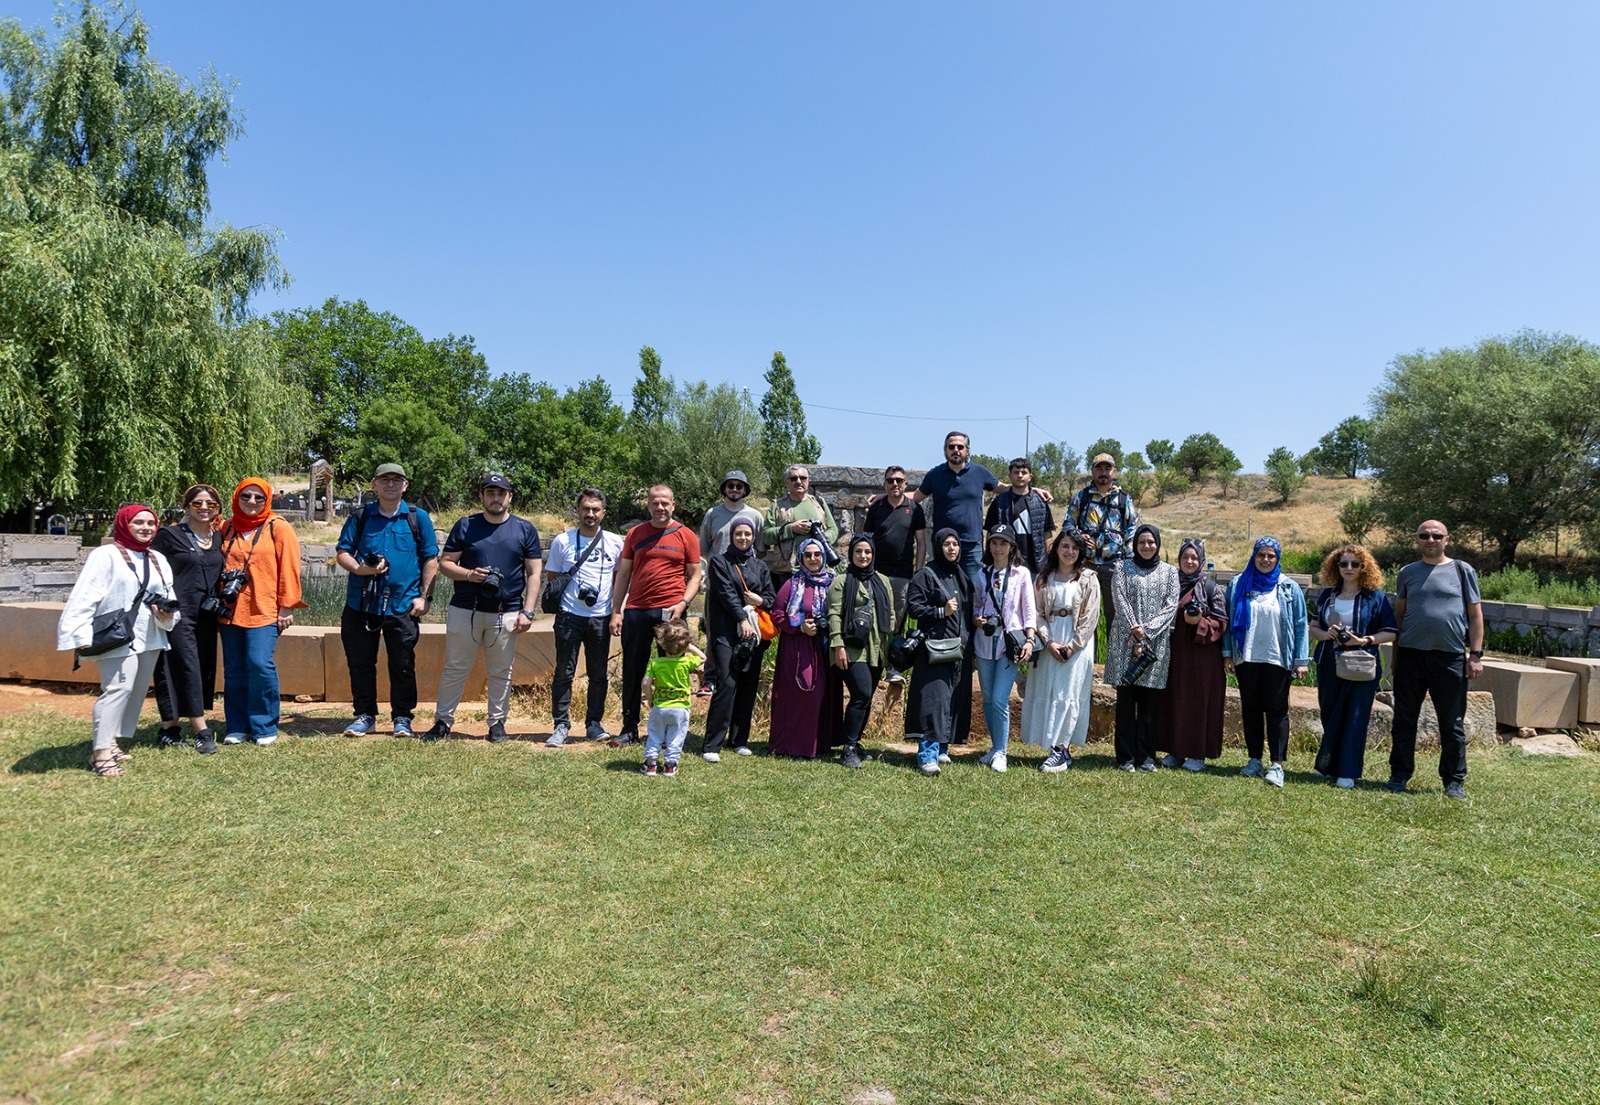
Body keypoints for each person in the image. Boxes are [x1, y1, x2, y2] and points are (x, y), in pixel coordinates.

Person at [57, 505, 181, 776]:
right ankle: (100, 753)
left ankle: (111, 740)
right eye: (138, 522)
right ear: (124, 524)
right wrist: (79, 634)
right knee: (117, 689)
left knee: (135, 690)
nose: (146, 528)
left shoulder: (157, 558)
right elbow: (86, 594)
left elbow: (168, 594)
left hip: (150, 634)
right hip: (117, 634)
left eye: (150, 523)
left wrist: (168, 615)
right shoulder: (106, 555)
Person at [422, 474, 542, 744]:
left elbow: (534, 572)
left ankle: (497, 724)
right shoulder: (466, 525)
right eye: (490, 493)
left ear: (510, 497)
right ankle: (442, 722)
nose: (495, 498)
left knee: (501, 670)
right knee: (455, 667)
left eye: (501, 493)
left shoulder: (524, 529)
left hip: (506, 611)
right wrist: (469, 575)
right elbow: (445, 563)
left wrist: (528, 611)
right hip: (466, 609)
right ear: (481, 496)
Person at [335, 463, 439, 738]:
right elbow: (343, 552)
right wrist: (360, 569)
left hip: (403, 604)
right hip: (361, 603)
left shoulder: (417, 518)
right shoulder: (361, 516)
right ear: (375, 485)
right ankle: (365, 716)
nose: (390, 484)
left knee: (402, 664)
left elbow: (430, 559)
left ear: (405, 485)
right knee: (360, 662)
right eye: (384, 480)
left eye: (396, 480)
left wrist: (425, 597)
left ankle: (402, 717)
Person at [1387, 521, 1483, 800]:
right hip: (1411, 655)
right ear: (1417, 539)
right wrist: (1396, 656)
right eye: (1425, 535)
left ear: (1446, 539)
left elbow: (1475, 615)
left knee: (1452, 723)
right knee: (1404, 719)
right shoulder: (1407, 573)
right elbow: (1400, 617)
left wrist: (1475, 655)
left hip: (1449, 657)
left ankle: (1454, 780)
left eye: (1436, 535)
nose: (1430, 539)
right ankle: (1399, 774)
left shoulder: (1462, 571)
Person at [215, 478, 306, 746]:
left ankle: (264, 725)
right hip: (230, 610)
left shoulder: (278, 527)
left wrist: (286, 605)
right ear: (236, 498)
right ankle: (237, 726)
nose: (252, 502)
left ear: (268, 500)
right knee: (234, 669)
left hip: (264, 609)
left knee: (259, 664)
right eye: (246, 496)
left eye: (259, 497)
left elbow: (289, 566)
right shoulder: (226, 527)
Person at [609, 485, 701, 747]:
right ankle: (629, 729)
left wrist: (682, 604)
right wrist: (616, 611)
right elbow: (624, 574)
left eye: (665, 503)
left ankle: (669, 731)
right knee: (633, 671)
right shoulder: (635, 534)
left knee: (672, 673)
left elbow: (695, 576)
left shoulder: (686, 535)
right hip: (637, 610)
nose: (660, 507)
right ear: (648, 505)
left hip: (671, 613)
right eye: (655, 503)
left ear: (673, 505)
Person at [1222, 537, 1311, 788]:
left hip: (1277, 657)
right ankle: (1254, 760)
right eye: (1261, 555)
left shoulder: (1288, 587)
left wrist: (1300, 660)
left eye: (1271, 556)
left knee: (1277, 710)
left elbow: (1300, 625)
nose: (1265, 560)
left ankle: (1277, 764)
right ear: (1254, 556)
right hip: (1246, 656)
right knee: (1250, 708)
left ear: (1277, 558)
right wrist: (1227, 654)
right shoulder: (1239, 584)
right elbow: (1228, 620)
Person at [1309, 545, 1399, 788]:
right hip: (1329, 662)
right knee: (1330, 713)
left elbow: (1391, 632)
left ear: (1363, 567)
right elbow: (1313, 628)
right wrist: (1326, 634)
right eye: (1343, 564)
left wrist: (1364, 640)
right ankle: (1328, 766)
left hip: (1362, 663)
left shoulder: (1375, 597)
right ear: (1335, 567)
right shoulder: (1327, 596)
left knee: (1356, 716)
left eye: (1354, 564)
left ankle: (1347, 771)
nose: (1349, 568)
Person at [544, 489, 624, 747]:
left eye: (595, 509)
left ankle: (594, 724)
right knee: (564, 672)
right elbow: (553, 577)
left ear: (603, 513)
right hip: (569, 615)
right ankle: (560, 725)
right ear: (578, 511)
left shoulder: (615, 542)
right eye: (586, 509)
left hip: (600, 616)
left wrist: (615, 612)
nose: (590, 514)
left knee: (598, 673)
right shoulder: (563, 541)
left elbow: (619, 578)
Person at [151, 484, 224, 754]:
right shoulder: (169, 535)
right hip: (177, 613)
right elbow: (150, 568)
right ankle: (201, 731)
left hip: (206, 614)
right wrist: (155, 602)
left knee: (200, 666)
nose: (204, 508)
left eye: (210, 504)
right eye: (197, 503)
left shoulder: (218, 538)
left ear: (217, 509)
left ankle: (169, 729)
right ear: (187, 506)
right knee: (186, 665)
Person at [1019, 529, 1099, 770]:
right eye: (1065, 546)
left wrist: (1073, 647)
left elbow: (1090, 617)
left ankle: (1062, 749)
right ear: (1056, 548)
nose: (1069, 552)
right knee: (1050, 689)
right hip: (1050, 640)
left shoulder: (1089, 578)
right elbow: (1037, 613)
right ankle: (1055, 746)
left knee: (1069, 692)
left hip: (1077, 644)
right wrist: (1050, 642)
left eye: (1075, 548)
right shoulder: (1044, 578)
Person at [1105, 524, 1180, 772]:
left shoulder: (1170, 573)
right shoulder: (1122, 568)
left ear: (1158, 544)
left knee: (1150, 704)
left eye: (1151, 542)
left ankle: (1146, 756)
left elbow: (1171, 606)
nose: (1146, 546)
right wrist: (1136, 631)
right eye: (1141, 542)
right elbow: (1119, 599)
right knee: (1126, 703)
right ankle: (1125, 757)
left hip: (1155, 646)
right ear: (1134, 545)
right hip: (1125, 642)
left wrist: (1147, 631)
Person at [701, 518, 776, 761]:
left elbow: (771, 597)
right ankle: (712, 744)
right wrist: (742, 618)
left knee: (748, 685)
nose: (743, 538)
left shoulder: (759, 566)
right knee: (727, 682)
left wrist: (759, 601)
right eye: (739, 534)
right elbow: (726, 594)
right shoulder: (719, 561)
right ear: (732, 536)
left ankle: (739, 739)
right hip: (726, 630)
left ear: (753, 537)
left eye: (748, 534)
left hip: (753, 635)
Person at [1154, 538, 1228, 771]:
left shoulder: (1211, 588)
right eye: (1185, 557)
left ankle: (1197, 754)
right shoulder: (1170, 585)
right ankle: (1175, 751)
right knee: (1174, 701)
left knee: (1198, 703)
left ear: (1201, 560)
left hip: (1202, 657)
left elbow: (1221, 622)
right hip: (1175, 654)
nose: (1189, 561)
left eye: (1194, 557)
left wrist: (1199, 623)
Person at [905, 529, 975, 775]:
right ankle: (927, 755)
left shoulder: (960, 575)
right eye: (946, 544)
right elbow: (913, 607)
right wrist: (940, 612)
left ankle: (942, 748)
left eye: (955, 544)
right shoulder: (926, 575)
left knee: (951, 698)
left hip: (958, 649)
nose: (952, 548)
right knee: (933, 700)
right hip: (935, 648)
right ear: (937, 546)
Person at [768, 537, 844, 758]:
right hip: (799, 646)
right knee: (805, 691)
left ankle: (821, 744)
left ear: (824, 556)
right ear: (801, 558)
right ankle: (795, 745)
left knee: (826, 693)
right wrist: (799, 627)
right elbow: (777, 613)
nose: (812, 558)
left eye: (817, 554)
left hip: (826, 645)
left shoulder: (834, 582)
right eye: (807, 555)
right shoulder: (792, 584)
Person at [970, 525, 1036, 772]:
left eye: (1003, 543)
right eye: (994, 543)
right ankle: (995, 746)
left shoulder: (1021, 574)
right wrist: (978, 618)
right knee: (988, 698)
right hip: (985, 642)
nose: (998, 548)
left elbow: (1028, 609)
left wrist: (1030, 639)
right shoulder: (982, 574)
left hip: (1010, 643)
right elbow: (977, 604)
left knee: (1000, 698)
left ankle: (1002, 752)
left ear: (1011, 547)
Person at [828, 534, 896, 769]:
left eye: (867, 552)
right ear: (851, 554)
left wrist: (890, 648)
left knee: (866, 697)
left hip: (876, 647)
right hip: (850, 648)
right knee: (862, 693)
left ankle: (855, 743)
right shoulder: (841, 582)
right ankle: (848, 748)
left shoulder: (882, 580)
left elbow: (890, 613)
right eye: (858, 551)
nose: (863, 556)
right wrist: (838, 646)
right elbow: (834, 615)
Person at [862, 465, 927, 685]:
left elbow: (921, 543)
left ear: (906, 484)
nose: (895, 484)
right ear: (884, 485)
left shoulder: (914, 508)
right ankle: (873, 664)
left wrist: (918, 572)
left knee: (897, 621)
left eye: (899, 480)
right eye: (890, 480)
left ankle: (893, 666)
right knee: (874, 619)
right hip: (876, 574)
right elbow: (866, 540)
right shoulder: (876, 508)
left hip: (903, 574)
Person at [907, 431, 999, 586]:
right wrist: (884, 496)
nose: (956, 450)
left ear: (967, 450)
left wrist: (1032, 490)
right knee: (942, 591)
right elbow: (916, 496)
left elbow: (1003, 488)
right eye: (951, 446)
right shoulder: (935, 474)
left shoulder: (980, 472)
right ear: (945, 449)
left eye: (960, 447)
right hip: (943, 544)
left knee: (973, 590)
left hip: (971, 545)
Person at [1065, 453, 1139, 627]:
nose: (1103, 472)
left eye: (1107, 468)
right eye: (1099, 468)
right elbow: (1068, 524)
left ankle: (1115, 646)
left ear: (1114, 471)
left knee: (1115, 617)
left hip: (1114, 565)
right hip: (1085, 565)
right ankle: (1086, 646)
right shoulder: (1081, 497)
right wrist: (1078, 537)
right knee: (1083, 615)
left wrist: (1130, 563)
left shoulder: (1123, 499)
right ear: (1092, 471)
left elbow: (1132, 530)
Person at [640, 620, 705, 778]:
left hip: (660, 706)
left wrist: (650, 698)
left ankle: (650, 764)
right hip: (681, 707)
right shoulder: (686, 662)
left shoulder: (656, 663)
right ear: (684, 646)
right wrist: (689, 647)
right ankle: (670, 766)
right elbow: (703, 658)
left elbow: (646, 683)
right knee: (676, 736)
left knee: (655, 734)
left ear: (662, 645)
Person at [762, 464, 839, 591]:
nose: (798, 481)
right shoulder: (777, 506)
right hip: (788, 571)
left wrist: (821, 539)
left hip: (818, 571)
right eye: (793, 478)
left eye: (803, 478)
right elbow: (766, 536)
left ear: (808, 481)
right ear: (786, 483)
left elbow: (833, 530)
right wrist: (791, 529)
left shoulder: (819, 502)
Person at [984, 458, 1055, 577]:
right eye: (1016, 472)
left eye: (1024, 472)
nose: (1020, 475)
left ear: (1030, 476)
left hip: (1035, 566)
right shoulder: (999, 502)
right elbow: (990, 532)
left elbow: (1047, 533)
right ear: (1010, 476)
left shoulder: (1040, 502)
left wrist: (1050, 561)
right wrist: (990, 559)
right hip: (1006, 565)